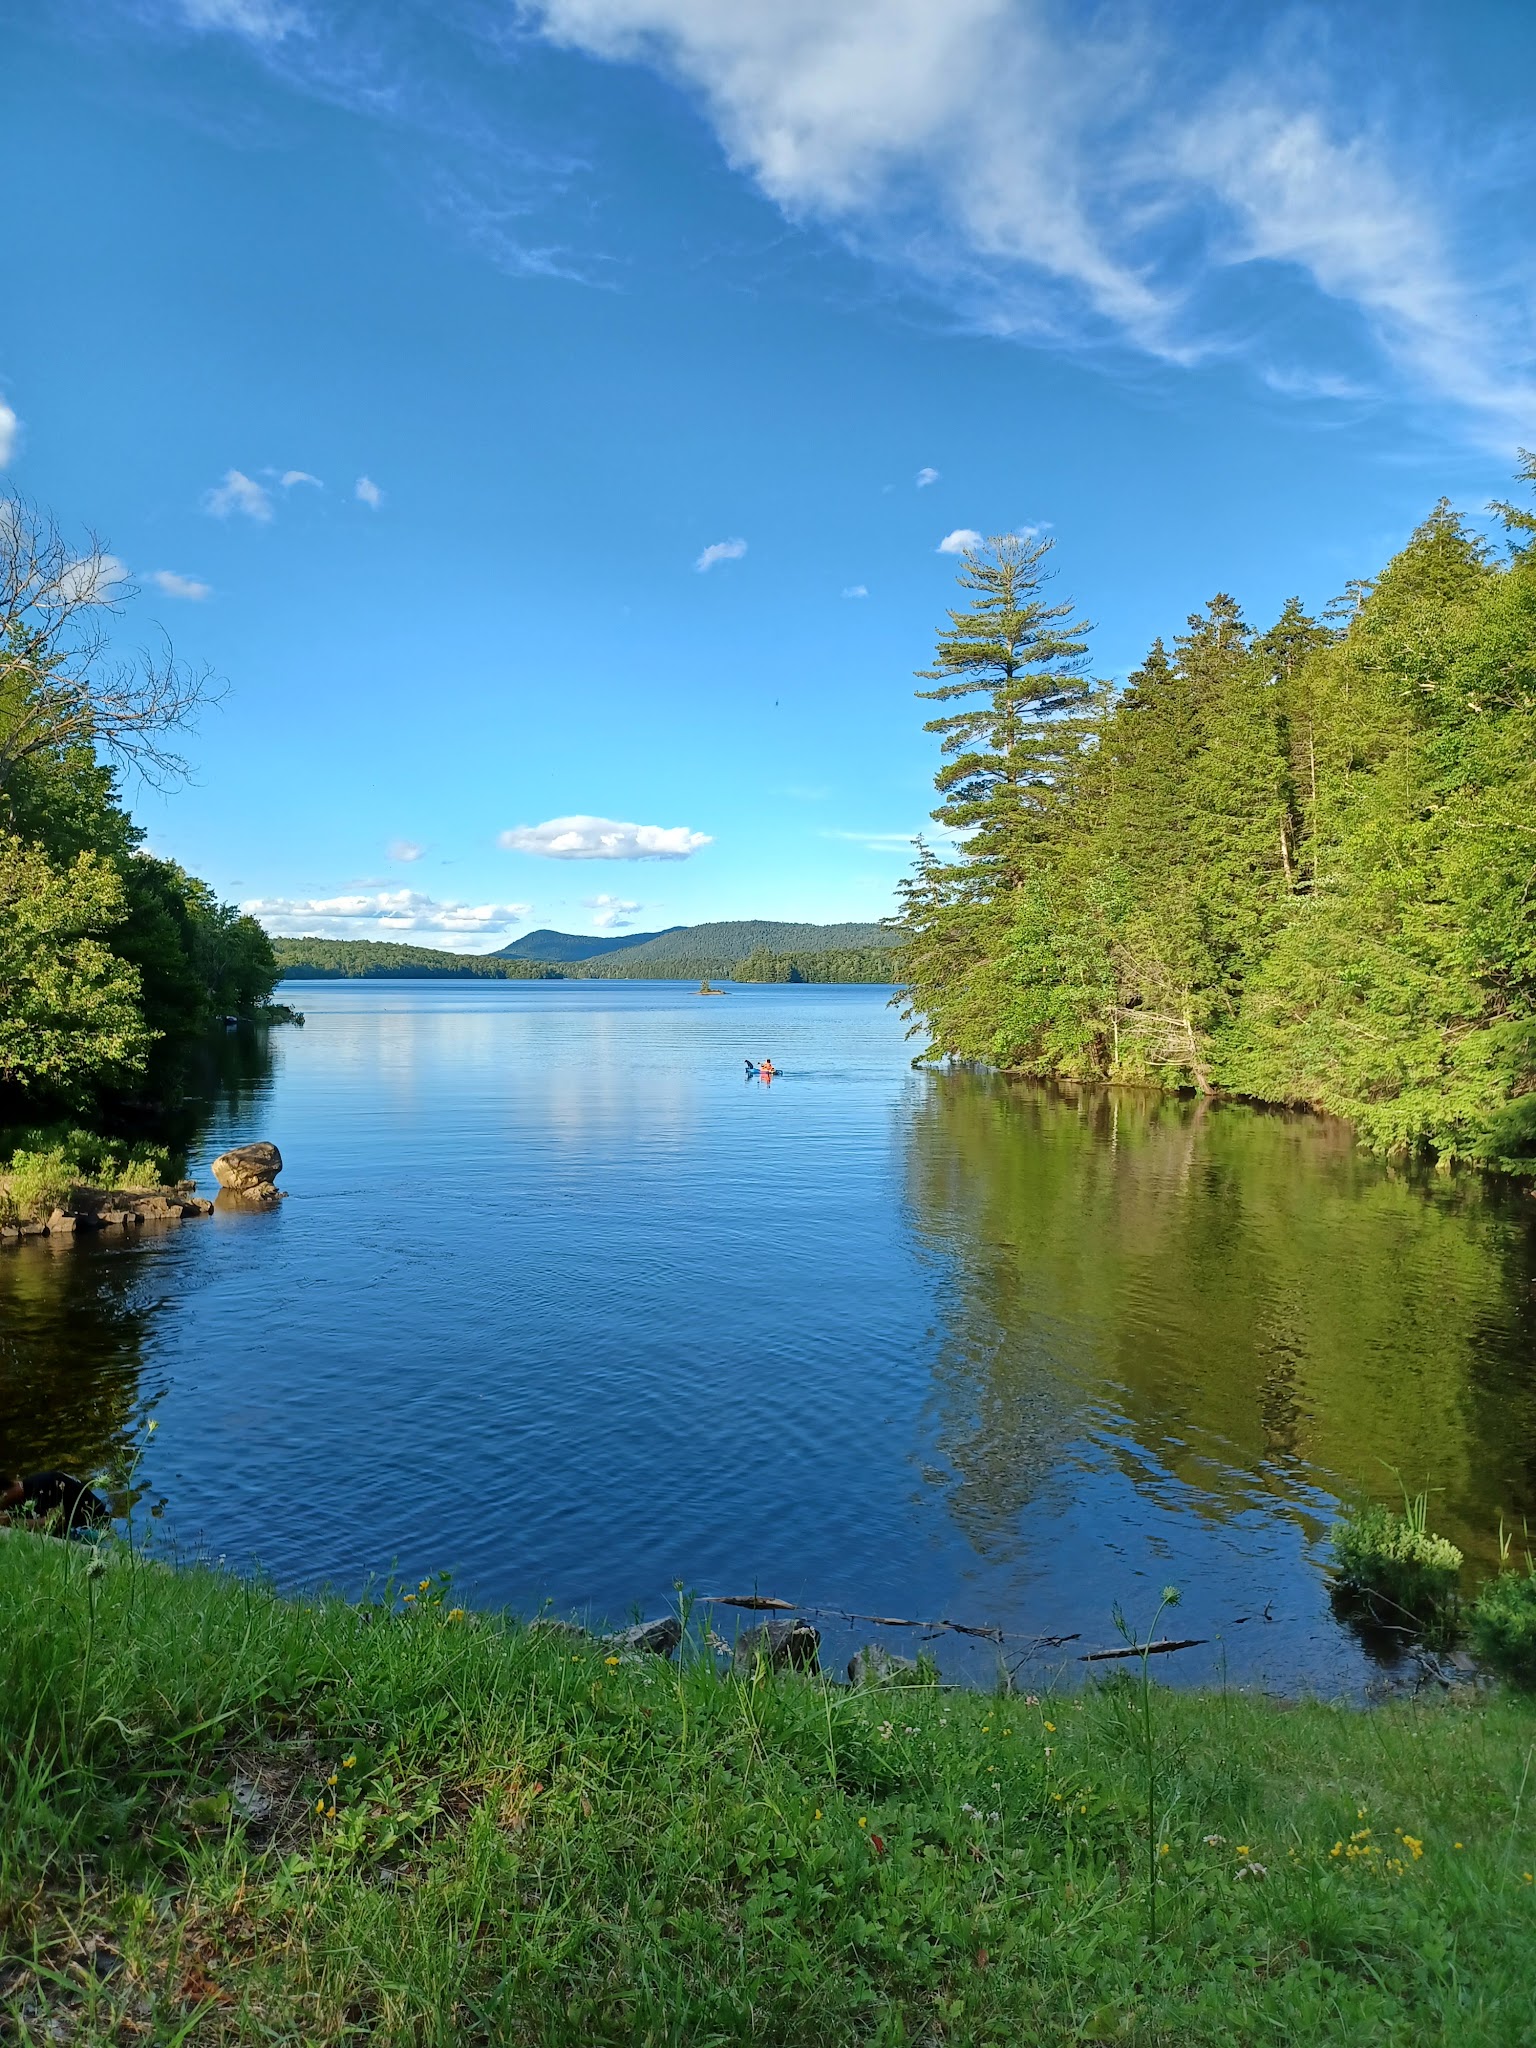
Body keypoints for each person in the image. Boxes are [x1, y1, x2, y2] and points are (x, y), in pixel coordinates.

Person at [0, 1470, 109, 1536]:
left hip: (97, 1526)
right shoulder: (20, 1500)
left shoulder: (44, 1484)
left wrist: (11, 1522)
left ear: (3, 1494)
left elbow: (54, 1522)